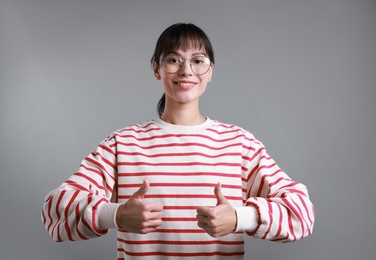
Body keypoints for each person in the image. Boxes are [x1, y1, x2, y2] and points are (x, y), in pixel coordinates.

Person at [42, 23, 315, 259]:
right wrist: (117, 216)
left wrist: (240, 218)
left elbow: (302, 213)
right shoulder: (123, 145)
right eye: (173, 59)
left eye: (198, 61)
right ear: (156, 69)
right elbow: (55, 209)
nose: (186, 70)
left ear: (210, 72)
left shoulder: (239, 145)